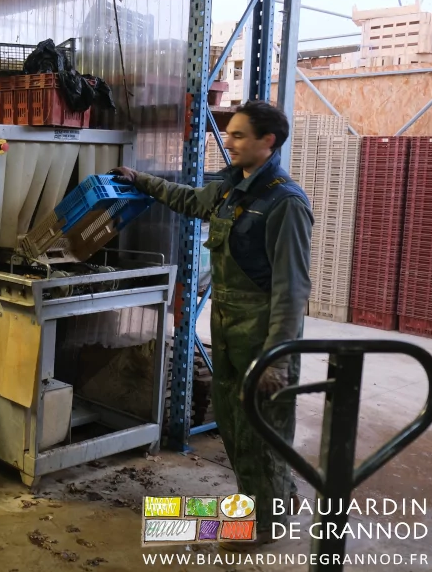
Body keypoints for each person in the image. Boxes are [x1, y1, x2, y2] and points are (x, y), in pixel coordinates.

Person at [113, 100, 312, 547]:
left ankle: (264, 522)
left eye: (239, 135)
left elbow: (292, 289)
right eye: (230, 133)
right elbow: (188, 199)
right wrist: (140, 180)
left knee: (261, 428)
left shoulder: (285, 203)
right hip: (227, 330)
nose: (229, 141)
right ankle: (277, 498)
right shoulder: (230, 188)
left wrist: (278, 358)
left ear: (268, 141)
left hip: (262, 335)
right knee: (234, 422)